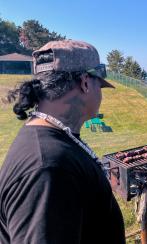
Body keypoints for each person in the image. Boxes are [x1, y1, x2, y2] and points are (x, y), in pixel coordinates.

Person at [0, 40, 126, 244]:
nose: (100, 93)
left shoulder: (52, 140)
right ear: (85, 82)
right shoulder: (48, 168)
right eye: (99, 85)